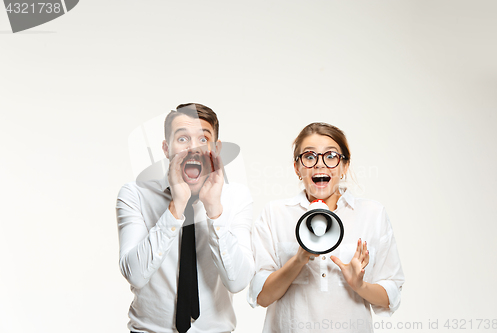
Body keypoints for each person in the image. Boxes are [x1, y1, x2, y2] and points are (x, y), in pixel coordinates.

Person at [248, 122, 404, 333]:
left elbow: (390, 297)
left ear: (344, 166)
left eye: (330, 156)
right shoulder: (274, 214)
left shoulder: (372, 214)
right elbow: (262, 297)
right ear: (297, 167)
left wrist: (359, 285)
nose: (320, 165)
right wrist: (299, 259)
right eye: (309, 157)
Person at [116, 103, 254, 333]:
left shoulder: (237, 197)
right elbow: (136, 275)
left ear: (216, 149)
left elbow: (237, 282)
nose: (193, 148)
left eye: (203, 139)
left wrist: (214, 210)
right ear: (166, 148)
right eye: (182, 139)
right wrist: (176, 206)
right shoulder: (135, 194)